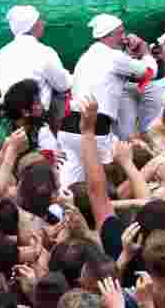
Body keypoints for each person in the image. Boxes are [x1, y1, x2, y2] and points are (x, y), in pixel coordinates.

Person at [58, 14, 152, 186]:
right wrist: (146, 53)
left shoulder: (86, 56)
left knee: (70, 181)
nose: (124, 37)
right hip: (96, 128)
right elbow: (147, 72)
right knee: (111, 175)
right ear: (110, 34)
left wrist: (128, 55)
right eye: (121, 33)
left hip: (69, 127)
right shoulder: (114, 57)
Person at [0, 5, 72, 140]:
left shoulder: (0, 54)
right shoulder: (44, 52)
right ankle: (58, 138)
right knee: (61, 93)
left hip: (4, 117)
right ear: (33, 25)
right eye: (41, 20)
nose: (43, 23)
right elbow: (63, 85)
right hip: (33, 118)